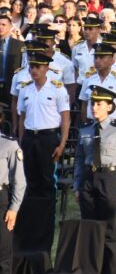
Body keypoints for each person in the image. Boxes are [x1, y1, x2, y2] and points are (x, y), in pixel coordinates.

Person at [75, 85, 116, 274]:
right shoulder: (85, 129)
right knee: (91, 229)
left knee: (111, 229)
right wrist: (78, 185)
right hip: (89, 179)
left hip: (111, 179)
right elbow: (79, 159)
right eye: (92, 103)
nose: (94, 107)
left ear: (109, 107)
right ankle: (93, 273)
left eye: (99, 104)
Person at [16, 52, 71, 235]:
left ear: (47, 68)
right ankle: (32, 218)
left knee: (47, 179)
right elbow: (22, 117)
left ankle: (47, 218)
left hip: (48, 138)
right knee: (29, 179)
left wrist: (62, 144)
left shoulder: (57, 89)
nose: (34, 70)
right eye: (32, 67)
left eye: (38, 67)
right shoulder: (25, 89)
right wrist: (21, 141)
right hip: (30, 137)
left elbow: (65, 118)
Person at [0, 110, 25, 274]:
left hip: (1, 200)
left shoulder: (9, 145)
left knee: (2, 255)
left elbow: (19, 181)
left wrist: (14, 208)